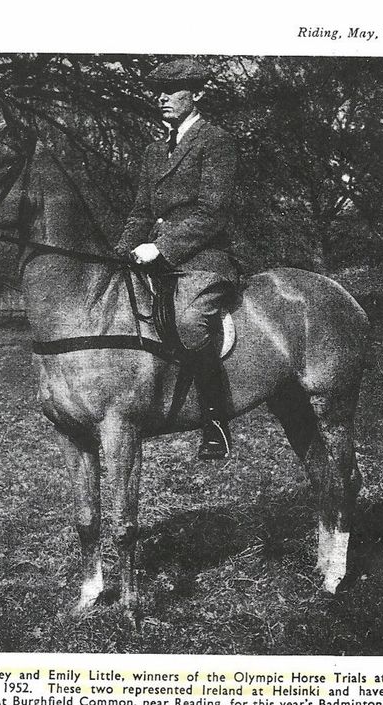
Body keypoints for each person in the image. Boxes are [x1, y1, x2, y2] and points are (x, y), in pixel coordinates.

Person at [116, 58, 238, 459]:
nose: (162, 98)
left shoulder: (216, 141)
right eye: (159, 91)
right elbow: (139, 211)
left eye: (173, 90)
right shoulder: (154, 151)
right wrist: (122, 251)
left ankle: (215, 422)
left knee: (188, 322)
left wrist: (163, 247)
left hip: (204, 256)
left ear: (197, 94)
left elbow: (213, 212)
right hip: (153, 254)